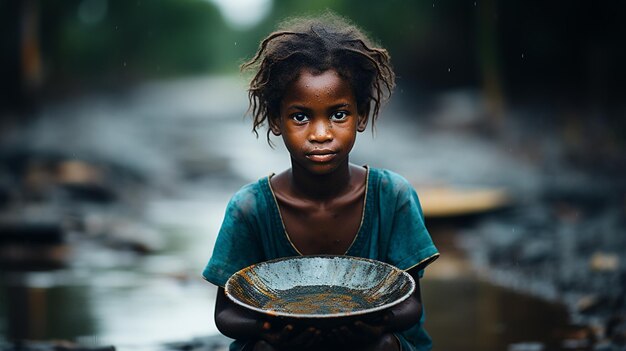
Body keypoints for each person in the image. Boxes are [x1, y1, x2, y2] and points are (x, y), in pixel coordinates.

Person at [202, 13, 439, 351]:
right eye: (301, 116)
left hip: (372, 342)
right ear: (276, 121)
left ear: (361, 115)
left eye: (338, 114)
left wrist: (369, 325)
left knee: (386, 345)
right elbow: (225, 315)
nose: (321, 134)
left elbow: (411, 305)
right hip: (284, 344)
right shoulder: (250, 208)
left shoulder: (392, 196)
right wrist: (271, 328)